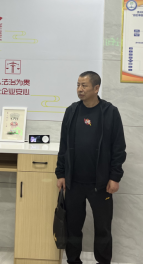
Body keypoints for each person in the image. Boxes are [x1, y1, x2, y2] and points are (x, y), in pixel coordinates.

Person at [56, 71, 127, 265]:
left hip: (101, 184)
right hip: (74, 182)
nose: (80, 89)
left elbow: (118, 147)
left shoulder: (110, 112)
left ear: (96, 88)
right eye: (78, 85)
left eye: (84, 85)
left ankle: (103, 261)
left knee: (103, 228)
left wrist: (115, 177)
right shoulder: (71, 111)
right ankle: (73, 260)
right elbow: (63, 146)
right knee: (73, 227)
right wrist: (61, 173)